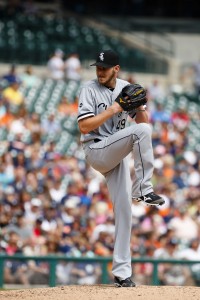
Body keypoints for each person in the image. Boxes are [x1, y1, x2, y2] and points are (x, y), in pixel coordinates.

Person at [77, 49, 165, 287]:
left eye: (104, 68)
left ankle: (122, 273)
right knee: (142, 132)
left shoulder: (126, 86)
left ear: (116, 68)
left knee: (125, 211)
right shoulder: (89, 89)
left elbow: (143, 125)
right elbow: (85, 127)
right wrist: (114, 109)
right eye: (97, 67)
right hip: (96, 150)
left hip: (116, 153)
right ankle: (144, 189)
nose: (100, 71)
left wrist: (141, 109)